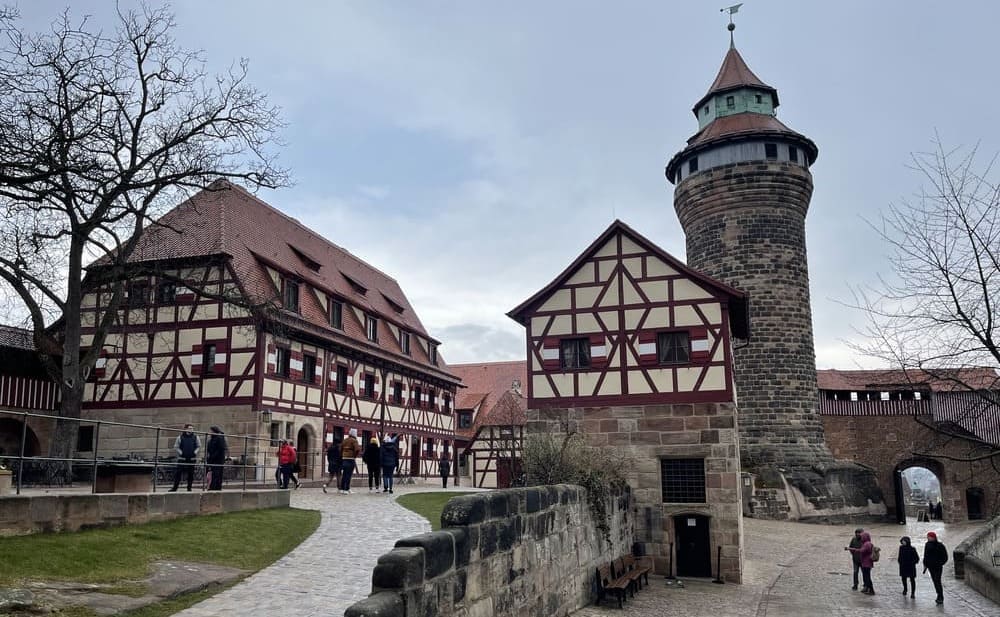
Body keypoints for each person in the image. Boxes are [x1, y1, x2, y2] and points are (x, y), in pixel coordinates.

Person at [169, 424, 200, 492]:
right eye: (190, 428)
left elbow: (198, 446)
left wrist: (195, 452)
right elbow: (176, 446)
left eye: (192, 428)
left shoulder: (196, 437)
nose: (191, 430)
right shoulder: (180, 437)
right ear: (185, 429)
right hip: (182, 459)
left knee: (191, 474)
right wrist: (181, 453)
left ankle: (189, 488)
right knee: (178, 473)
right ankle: (175, 487)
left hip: (192, 459)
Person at [923, 531, 948, 604]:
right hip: (931, 567)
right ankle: (938, 595)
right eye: (928, 537)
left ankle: (940, 596)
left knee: (937, 580)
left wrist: (941, 563)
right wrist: (925, 564)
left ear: (933, 537)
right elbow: (926, 555)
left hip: (938, 566)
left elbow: (945, 556)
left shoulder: (940, 545)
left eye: (929, 537)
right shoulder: (927, 544)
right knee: (935, 581)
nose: (928, 538)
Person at [206, 426, 227, 491]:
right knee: (214, 473)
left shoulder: (219, 438)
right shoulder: (212, 439)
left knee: (216, 474)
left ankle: (214, 487)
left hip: (218, 459)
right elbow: (209, 449)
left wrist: (213, 456)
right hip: (213, 459)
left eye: (211, 431)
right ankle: (214, 487)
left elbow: (221, 449)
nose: (210, 432)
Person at [339, 428, 360, 493]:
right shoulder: (354, 441)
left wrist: (342, 456)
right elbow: (357, 449)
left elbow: (340, 449)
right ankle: (347, 489)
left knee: (344, 474)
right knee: (349, 475)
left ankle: (342, 489)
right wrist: (354, 456)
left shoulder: (345, 440)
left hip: (344, 458)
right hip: (350, 459)